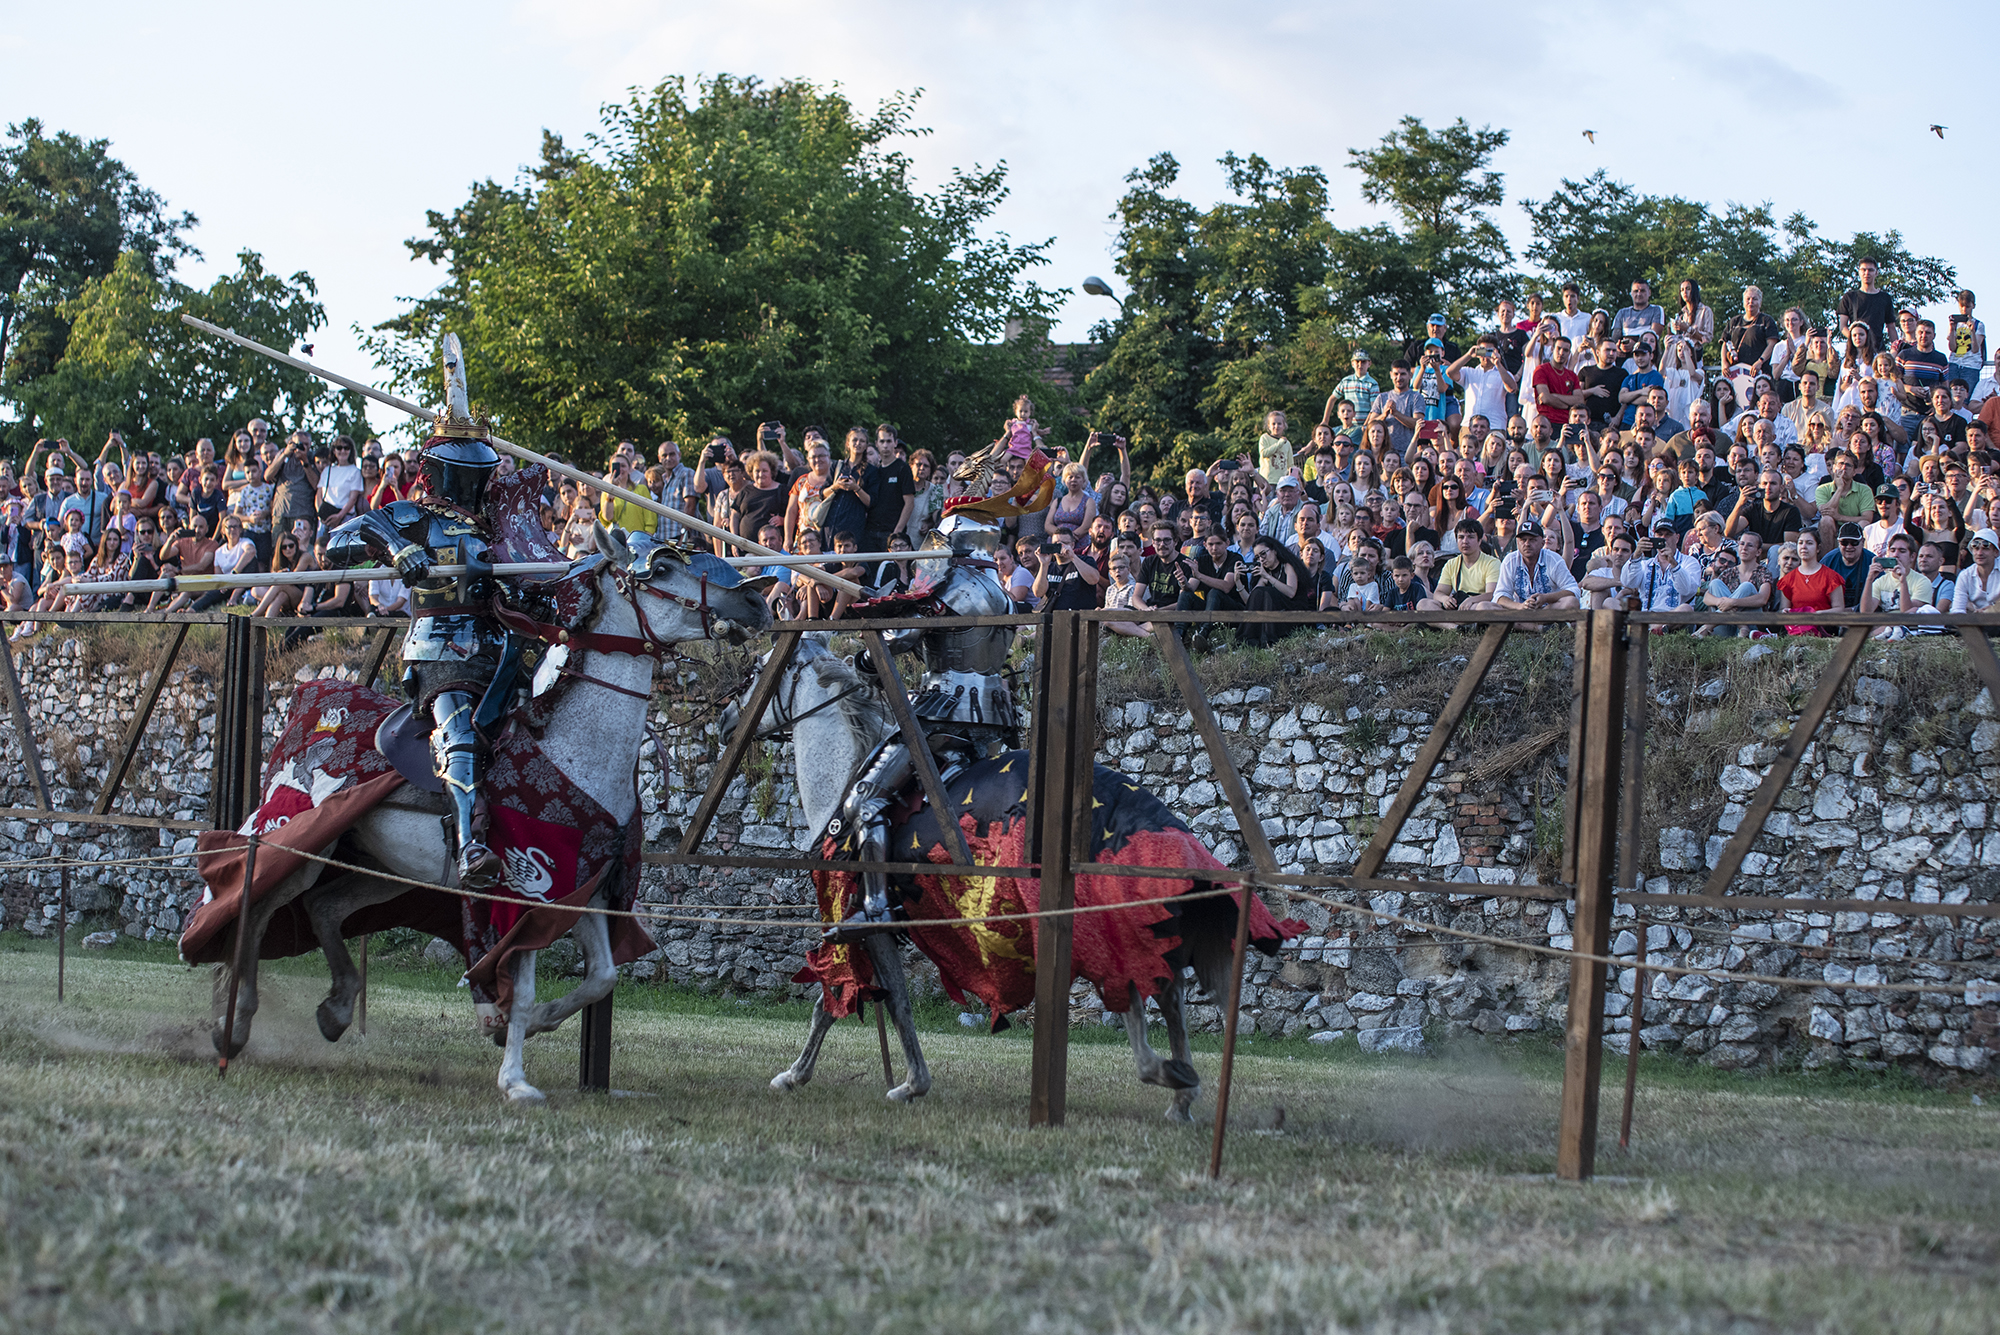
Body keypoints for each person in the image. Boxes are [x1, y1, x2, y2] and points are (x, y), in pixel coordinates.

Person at [318, 341, 521, 889]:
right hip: (439, 653)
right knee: (460, 733)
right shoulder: (414, 515)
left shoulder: (497, 523)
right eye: (464, 472)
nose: (473, 482)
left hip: (503, 652)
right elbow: (336, 543)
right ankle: (470, 846)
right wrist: (394, 546)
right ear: (440, 471)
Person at [1491, 518, 1580, 614]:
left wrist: (1546, 598)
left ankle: (1530, 625)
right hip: (1519, 612)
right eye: (1523, 540)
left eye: (1532, 540)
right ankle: (1539, 628)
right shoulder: (1510, 560)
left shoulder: (1554, 559)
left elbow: (1573, 590)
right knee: (1485, 606)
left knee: (1571, 602)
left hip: (1548, 611)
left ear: (1542, 543)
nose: (1527, 544)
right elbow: (1499, 595)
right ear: (1517, 543)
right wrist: (1520, 606)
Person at [1776, 532, 1845, 633]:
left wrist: (1817, 615)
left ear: (1818, 548)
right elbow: (1783, 608)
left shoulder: (1831, 577)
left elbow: (1839, 609)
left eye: (1809, 543)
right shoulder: (1788, 579)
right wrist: (1785, 612)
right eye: (1800, 543)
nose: (1804, 547)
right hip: (1796, 629)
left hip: (1823, 628)